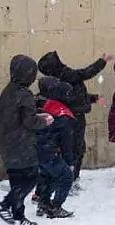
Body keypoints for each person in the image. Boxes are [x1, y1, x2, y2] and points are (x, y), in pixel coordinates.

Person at [37, 50, 113, 186]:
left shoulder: (62, 78)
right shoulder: (65, 75)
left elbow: (77, 96)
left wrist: (93, 98)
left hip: (74, 116)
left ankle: (71, 177)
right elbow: (85, 73)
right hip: (73, 118)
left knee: (76, 148)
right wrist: (102, 61)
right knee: (74, 149)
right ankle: (68, 178)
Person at [0, 55, 54, 225]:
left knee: (16, 180)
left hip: (6, 142)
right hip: (21, 143)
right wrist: (44, 120)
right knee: (30, 177)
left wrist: (36, 116)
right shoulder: (25, 94)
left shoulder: (7, 91)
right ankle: (5, 205)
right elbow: (30, 122)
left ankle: (18, 217)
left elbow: (18, 116)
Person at [35, 77, 78, 219]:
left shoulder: (48, 107)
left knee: (49, 177)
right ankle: (56, 207)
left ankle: (43, 204)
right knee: (66, 177)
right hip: (49, 152)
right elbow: (66, 143)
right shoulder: (64, 117)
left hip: (38, 151)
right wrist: (70, 162)